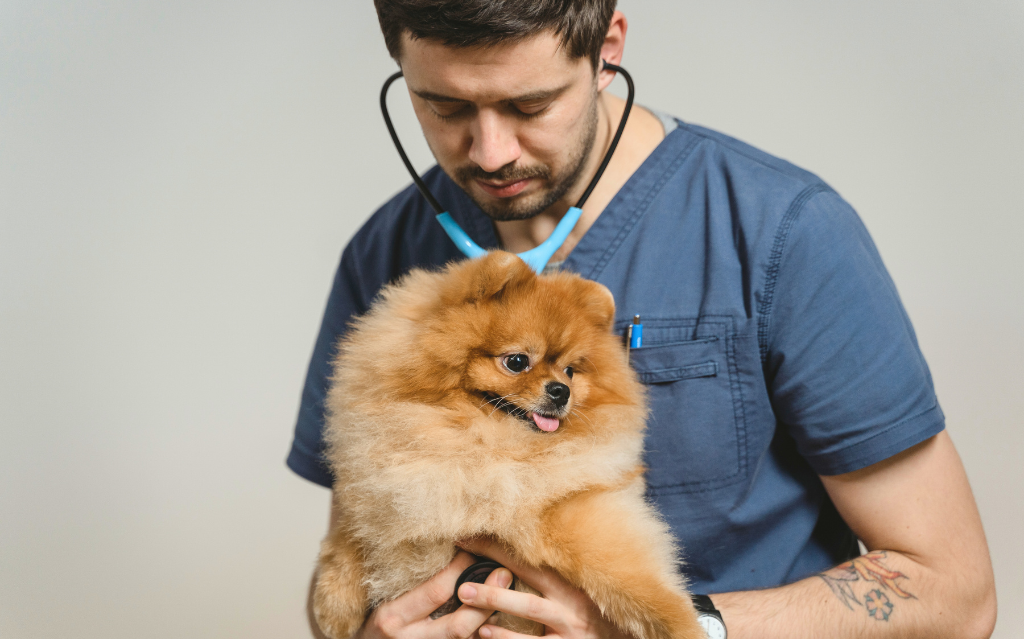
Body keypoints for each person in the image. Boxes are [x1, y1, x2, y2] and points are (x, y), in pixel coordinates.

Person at [286, 1, 997, 637]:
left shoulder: (783, 232)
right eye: (445, 107)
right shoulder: (384, 257)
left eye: (530, 107)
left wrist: (680, 630)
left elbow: (954, 592)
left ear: (608, 51)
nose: (491, 150)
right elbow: (353, 564)